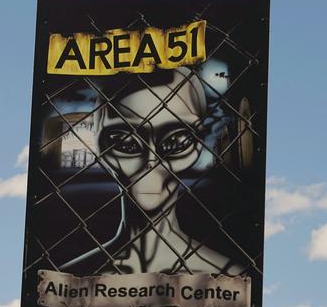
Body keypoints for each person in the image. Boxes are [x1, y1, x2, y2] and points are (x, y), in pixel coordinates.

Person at [62, 68, 245, 276]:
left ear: (198, 144)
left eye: (175, 141)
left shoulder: (230, 277)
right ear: (99, 146)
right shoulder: (228, 277)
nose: (151, 162)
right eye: (125, 142)